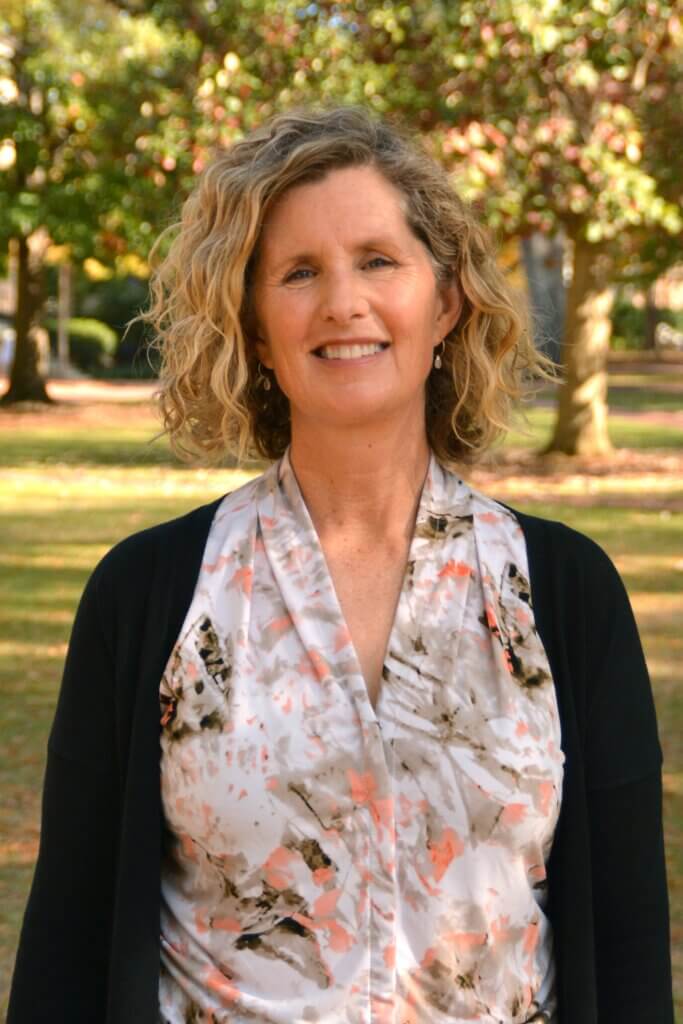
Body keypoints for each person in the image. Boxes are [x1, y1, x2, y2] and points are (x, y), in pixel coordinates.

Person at [8, 106, 673, 1024]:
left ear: (443, 303)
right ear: (252, 329)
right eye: (298, 273)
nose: (342, 303)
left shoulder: (563, 593)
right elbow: (68, 941)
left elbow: (630, 941)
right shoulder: (148, 594)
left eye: (377, 260)